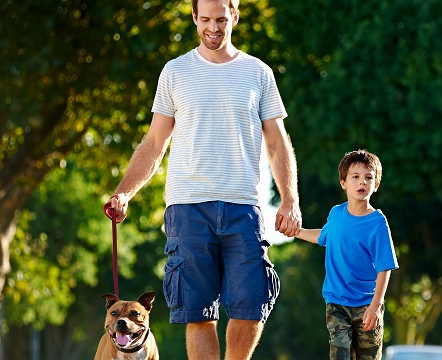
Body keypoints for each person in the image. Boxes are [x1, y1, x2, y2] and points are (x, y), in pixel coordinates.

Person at [103, 0, 301, 359]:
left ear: (235, 17)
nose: (213, 27)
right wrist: (124, 192)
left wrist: (290, 198)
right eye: (205, 19)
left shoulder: (258, 73)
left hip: (243, 204)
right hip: (187, 208)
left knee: (250, 304)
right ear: (194, 18)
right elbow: (154, 141)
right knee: (197, 312)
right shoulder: (175, 72)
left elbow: (276, 141)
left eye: (221, 19)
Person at [295, 149, 399, 360]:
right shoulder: (336, 213)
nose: (362, 182)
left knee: (367, 357)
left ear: (376, 185)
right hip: (337, 301)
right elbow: (323, 236)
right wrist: (295, 231)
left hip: (367, 305)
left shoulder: (378, 223)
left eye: (368, 178)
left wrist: (376, 306)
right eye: (355, 177)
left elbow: (384, 266)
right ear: (343, 182)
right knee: (339, 353)